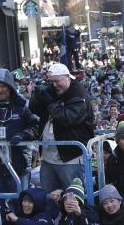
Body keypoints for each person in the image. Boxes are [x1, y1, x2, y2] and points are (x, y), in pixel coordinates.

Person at [30, 62, 95, 193]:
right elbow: (34, 109)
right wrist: (37, 96)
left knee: (73, 196)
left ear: (67, 77)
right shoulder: (54, 91)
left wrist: (50, 103)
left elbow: (68, 118)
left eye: (57, 81)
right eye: (51, 82)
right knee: (49, 197)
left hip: (70, 156)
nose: (54, 85)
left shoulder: (78, 94)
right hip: (49, 156)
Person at [0, 68, 39, 193]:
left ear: (10, 87)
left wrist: (22, 135)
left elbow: (35, 127)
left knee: (19, 202)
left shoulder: (21, 106)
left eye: (3, 86)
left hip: (18, 163)